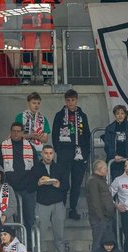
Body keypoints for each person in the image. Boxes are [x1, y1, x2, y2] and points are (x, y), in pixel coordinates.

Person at [52, 90, 91, 219]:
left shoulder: (82, 115)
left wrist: (85, 154)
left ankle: (73, 209)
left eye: (73, 100)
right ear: (65, 101)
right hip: (64, 153)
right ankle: (61, 209)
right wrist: (59, 149)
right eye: (68, 100)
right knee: (63, 182)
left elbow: (87, 135)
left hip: (79, 154)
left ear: (77, 100)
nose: (70, 103)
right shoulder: (59, 115)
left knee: (77, 183)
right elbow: (55, 133)